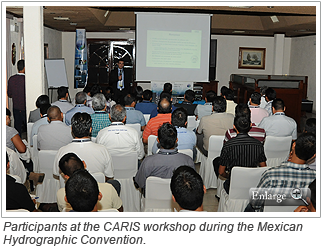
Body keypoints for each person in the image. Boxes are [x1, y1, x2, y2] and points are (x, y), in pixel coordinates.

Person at [246, 132, 316, 212]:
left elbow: (255, 203)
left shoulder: (270, 175)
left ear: (294, 145)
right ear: (313, 155)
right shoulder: (316, 179)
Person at [134, 123, 195, 193]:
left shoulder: (148, 162)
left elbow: (139, 183)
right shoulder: (187, 161)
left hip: (153, 200)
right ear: (176, 140)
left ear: (158, 140)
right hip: (177, 200)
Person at [213, 115, 267, 194]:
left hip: (233, 184)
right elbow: (263, 167)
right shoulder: (258, 144)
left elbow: (221, 172)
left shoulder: (228, 145)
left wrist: (229, 176)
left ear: (234, 127)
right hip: (252, 183)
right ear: (251, 125)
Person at [53, 113, 114, 182]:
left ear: (72, 129)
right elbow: (109, 175)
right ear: (90, 129)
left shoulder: (62, 151)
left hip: (71, 191)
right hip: (98, 190)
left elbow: (56, 173)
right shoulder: (103, 150)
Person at [57, 153, 123, 212]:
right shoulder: (109, 188)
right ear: (99, 196)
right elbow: (119, 209)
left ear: (66, 199)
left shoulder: (60, 194)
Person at [6, 108, 44, 187]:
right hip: (8, 161)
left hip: (8, 160)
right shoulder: (10, 131)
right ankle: (30, 177)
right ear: (6, 117)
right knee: (25, 156)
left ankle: (31, 175)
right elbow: (22, 149)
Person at [7, 59, 26, 135]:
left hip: (16, 106)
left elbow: (9, 93)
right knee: (28, 127)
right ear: (24, 67)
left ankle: (17, 144)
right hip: (25, 106)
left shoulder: (11, 79)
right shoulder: (26, 79)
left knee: (17, 127)